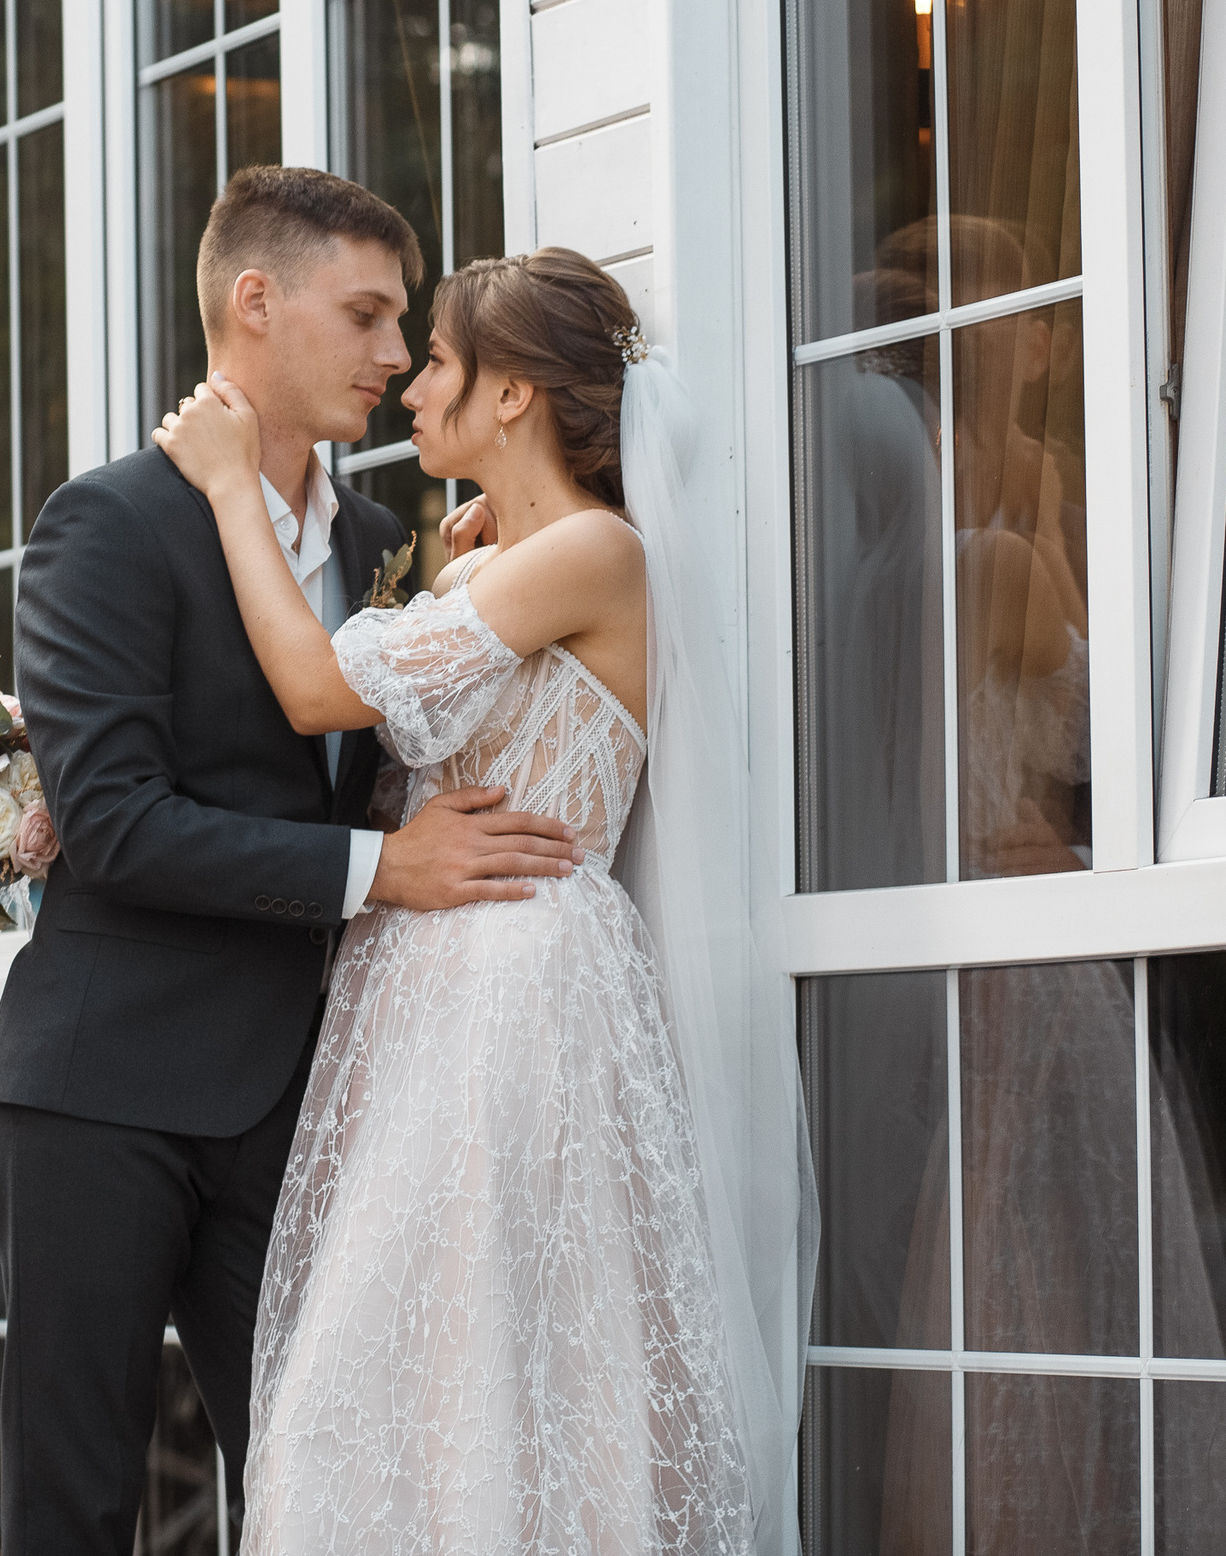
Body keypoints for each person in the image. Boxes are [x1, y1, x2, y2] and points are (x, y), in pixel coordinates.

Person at [154, 248, 813, 1553]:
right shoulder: (496, 567)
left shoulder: (595, 553)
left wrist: (233, 488)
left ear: (510, 395)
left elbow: (316, 693)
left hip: (519, 993)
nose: (410, 384)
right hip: (423, 995)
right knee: (398, 1380)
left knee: (496, 1370)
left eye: (438, 359)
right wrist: (460, 563)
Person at [0, 167, 585, 1554]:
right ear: (256, 302)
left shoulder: (389, 543)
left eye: (403, 329)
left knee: (327, 1489)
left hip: (303, 1103)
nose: (392, 356)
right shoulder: (109, 526)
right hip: (103, 1091)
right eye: (368, 316)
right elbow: (116, 824)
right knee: (75, 1511)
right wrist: (384, 870)